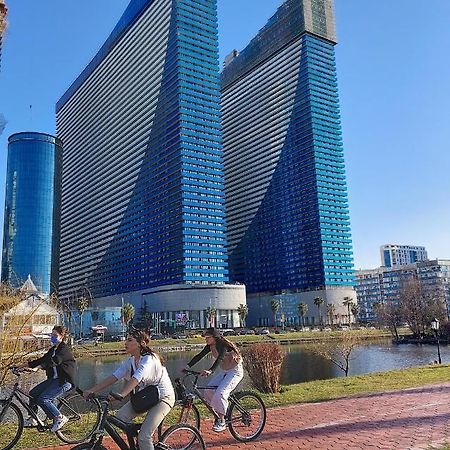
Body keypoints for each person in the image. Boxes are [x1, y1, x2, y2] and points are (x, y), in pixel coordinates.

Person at [83, 328, 175, 450]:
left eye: (129, 340)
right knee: (120, 418)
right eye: (126, 340)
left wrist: (122, 394)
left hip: (164, 397)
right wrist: (92, 390)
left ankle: (144, 438)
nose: (125, 343)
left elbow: (137, 378)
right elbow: (114, 377)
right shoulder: (130, 361)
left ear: (140, 343)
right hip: (147, 396)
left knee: (144, 437)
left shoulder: (150, 359)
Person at [185, 327, 243, 432]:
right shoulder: (210, 346)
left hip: (235, 371)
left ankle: (222, 420)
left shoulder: (223, 345)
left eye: (208, 337)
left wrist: (210, 370)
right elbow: (199, 356)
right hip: (225, 371)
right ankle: (219, 413)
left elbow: (220, 358)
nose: (206, 339)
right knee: (208, 391)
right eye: (205, 337)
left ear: (214, 337)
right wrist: (187, 367)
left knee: (220, 393)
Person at [19, 325, 76, 432]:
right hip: (53, 380)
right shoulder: (53, 349)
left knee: (44, 399)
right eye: (51, 335)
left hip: (64, 381)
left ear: (62, 337)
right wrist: (21, 365)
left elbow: (54, 361)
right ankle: (33, 418)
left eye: (55, 335)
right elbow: (42, 360)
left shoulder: (63, 349)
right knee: (33, 394)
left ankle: (59, 417)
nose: (52, 337)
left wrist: (38, 368)